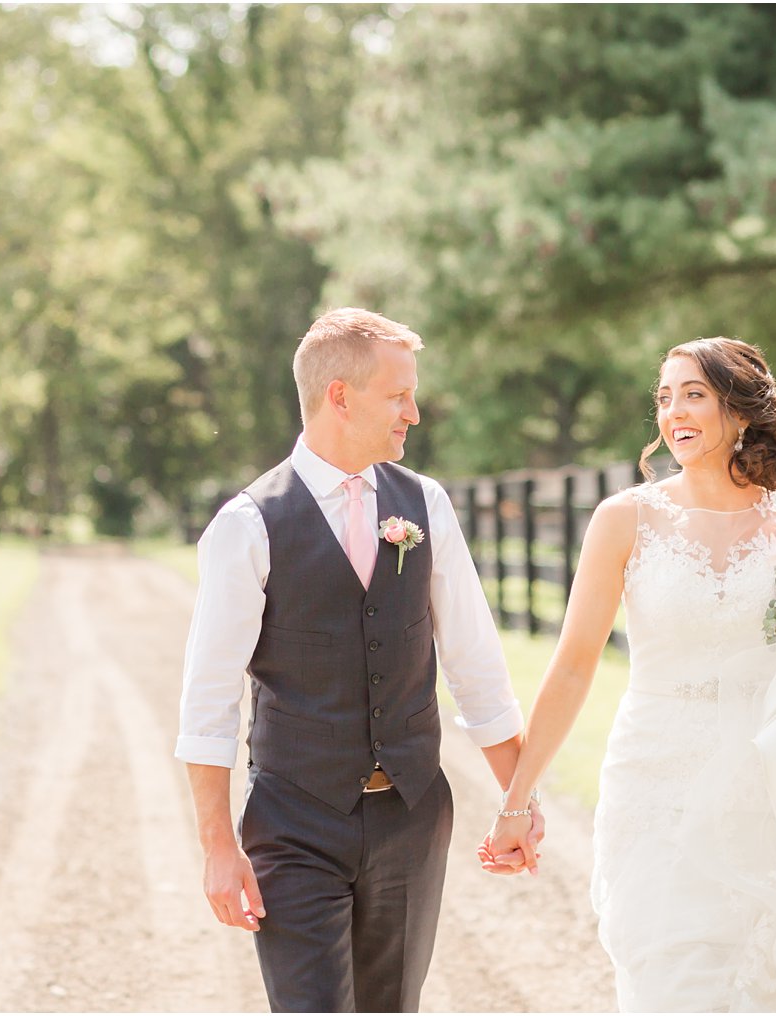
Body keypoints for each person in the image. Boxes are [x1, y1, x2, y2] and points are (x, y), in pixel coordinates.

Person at [481, 337, 776, 1011]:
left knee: (773, 983)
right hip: (656, 780)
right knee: (670, 976)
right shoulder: (625, 520)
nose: (673, 412)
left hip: (767, 784)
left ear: (740, 410)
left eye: (693, 393)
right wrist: (516, 801)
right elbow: (575, 665)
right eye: (664, 397)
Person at [176, 308, 538, 1013]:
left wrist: (518, 801)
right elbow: (208, 704)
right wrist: (220, 849)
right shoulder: (246, 526)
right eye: (399, 394)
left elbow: (477, 670)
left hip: (411, 817)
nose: (415, 412)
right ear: (340, 395)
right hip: (296, 822)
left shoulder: (424, 504)